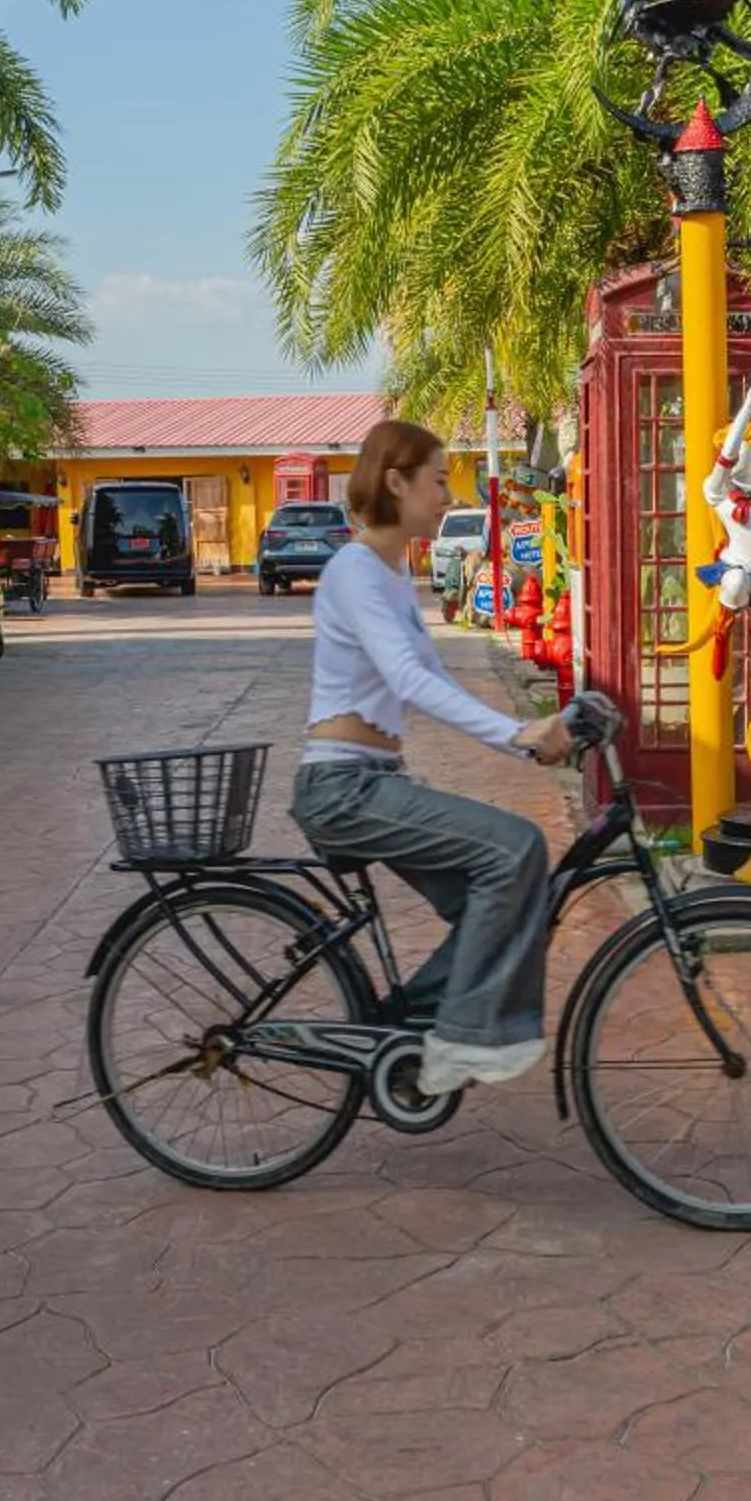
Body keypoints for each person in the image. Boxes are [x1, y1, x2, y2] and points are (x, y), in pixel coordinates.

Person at [290, 419, 575, 1099]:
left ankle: (409, 1034)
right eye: (440, 479)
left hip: (374, 781)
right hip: (342, 790)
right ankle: (459, 1038)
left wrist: (528, 731)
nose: (450, 495)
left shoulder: (391, 575)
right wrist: (515, 735)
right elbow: (412, 682)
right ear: (396, 481)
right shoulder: (356, 570)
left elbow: (433, 682)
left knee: (508, 896)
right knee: (515, 849)